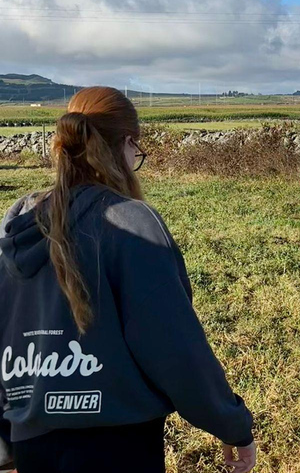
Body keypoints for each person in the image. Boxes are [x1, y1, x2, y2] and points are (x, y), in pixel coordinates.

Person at [0, 87, 256, 473]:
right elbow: (175, 348)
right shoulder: (131, 222)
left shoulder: (18, 222)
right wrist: (232, 425)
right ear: (127, 145)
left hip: (31, 441)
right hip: (117, 445)